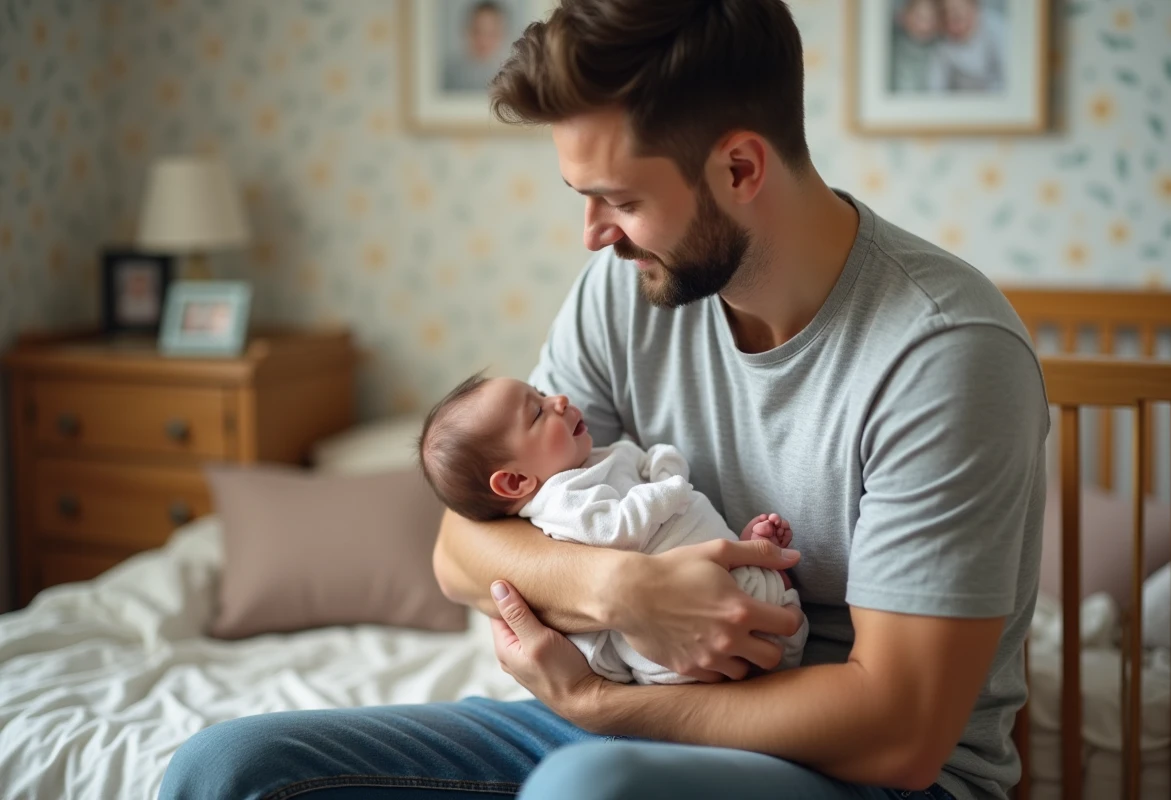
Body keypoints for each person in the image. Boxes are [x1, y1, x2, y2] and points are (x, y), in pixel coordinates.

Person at [158, 1, 1048, 799]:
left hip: (847, 766)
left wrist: (598, 704)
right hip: (634, 716)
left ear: (740, 168)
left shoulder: (944, 353)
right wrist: (620, 590)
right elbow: (460, 546)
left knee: (591, 787)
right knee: (228, 769)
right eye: (583, 198)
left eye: (619, 199)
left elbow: (900, 735)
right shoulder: (627, 290)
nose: (593, 236)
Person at [416, 373, 807, 685]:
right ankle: (761, 583)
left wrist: (656, 466)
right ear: (516, 481)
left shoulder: (592, 459)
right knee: (762, 624)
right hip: (677, 641)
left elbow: (638, 466)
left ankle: (756, 565)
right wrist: (666, 486)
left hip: (710, 584)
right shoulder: (560, 501)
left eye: (542, 393)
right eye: (537, 413)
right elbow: (617, 528)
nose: (558, 400)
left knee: (763, 603)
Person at [926, 0, 1007, 93]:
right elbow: (936, 86)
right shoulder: (942, 42)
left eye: (956, 10)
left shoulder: (996, 28)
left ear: (974, 7)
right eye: (944, 12)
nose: (951, 15)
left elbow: (1008, 78)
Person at [441, 1, 510, 93]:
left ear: (502, 35)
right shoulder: (449, 73)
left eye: (491, 34)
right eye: (477, 32)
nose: (483, 41)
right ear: (467, 31)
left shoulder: (512, 76)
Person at [890, 0, 943, 93]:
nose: (925, 26)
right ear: (903, 16)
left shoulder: (941, 51)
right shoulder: (891, 50)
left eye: (931, 19)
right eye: (920, 17)